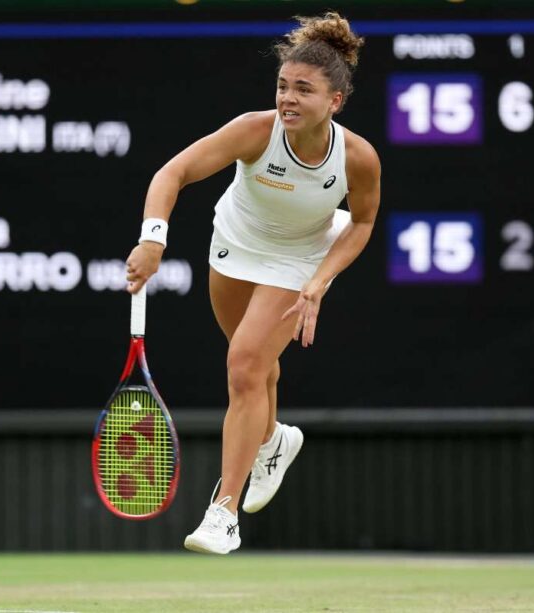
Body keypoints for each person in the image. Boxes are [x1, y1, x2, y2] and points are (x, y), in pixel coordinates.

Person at [124, 12, 381, 555]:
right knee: (256, 366)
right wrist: (153, 239)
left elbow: (360, 223)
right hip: (235, 247)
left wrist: (319, 281)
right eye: (283, 86)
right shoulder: (253, 130)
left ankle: (224, 512)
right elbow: (172, 173)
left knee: (243, 365)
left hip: (301, 255)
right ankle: (273, 439)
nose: (288, 98)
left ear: (335, 101)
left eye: (303, 90)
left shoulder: (357, 158)